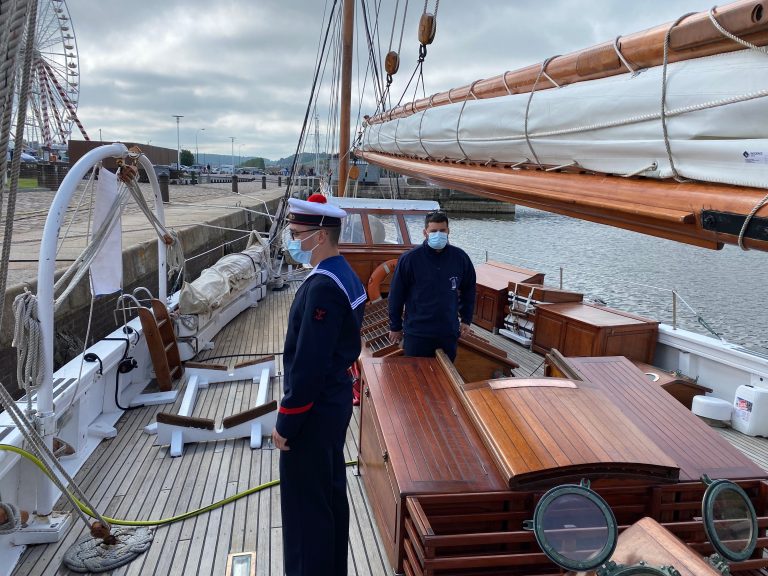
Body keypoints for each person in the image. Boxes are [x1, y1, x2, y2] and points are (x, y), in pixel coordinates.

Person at [272, 193, 366, 576]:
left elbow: (309, 366)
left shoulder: (323, 287)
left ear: (320, 235)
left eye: (296, 233)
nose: (291, 240)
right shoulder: (344, 273)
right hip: (333, 405)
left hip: (313, 413)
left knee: (305, 509)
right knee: (328, 495)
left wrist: (286, 422)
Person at [387, 210, 475, 361]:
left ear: (448, 231)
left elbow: (469, 290)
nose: (438, 234)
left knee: (445, 379)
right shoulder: (409, 259)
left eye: (442, 230)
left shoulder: (460, 258)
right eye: (433, 231)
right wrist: (395, 327)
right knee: (415, 378)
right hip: (417, 334)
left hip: (448, 333)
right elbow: (396, 295)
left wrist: (466, 319)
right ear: (425, 232)